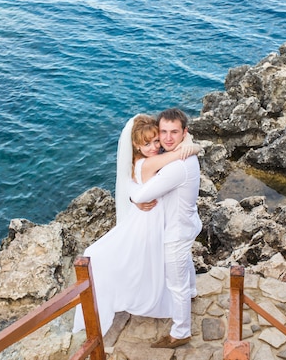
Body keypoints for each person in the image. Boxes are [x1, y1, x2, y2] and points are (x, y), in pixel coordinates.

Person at [72, 114, 201, 336]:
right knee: (125, 260)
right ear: (136, 145)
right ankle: (159, 297)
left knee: (159, 262)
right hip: (150, 221)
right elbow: (170, 160)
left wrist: (191, 143)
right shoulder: (153, 161)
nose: (155, 146)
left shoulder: (146, 158)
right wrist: (190, 146)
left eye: (156, 141)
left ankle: (186, 298)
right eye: (148, 143)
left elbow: (132, 182)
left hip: (161, 222)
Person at [129, 108, 202, 349]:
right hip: (187, 222)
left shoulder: (176, 167)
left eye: (174, 132)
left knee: (175, 284)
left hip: (176, 231)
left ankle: (181, 332)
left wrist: (134, 199)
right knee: (187, 265)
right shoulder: (184, 156)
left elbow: (141, 194)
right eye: (164, 132)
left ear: (184, 133)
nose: (168, 138)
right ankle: (192, 292)